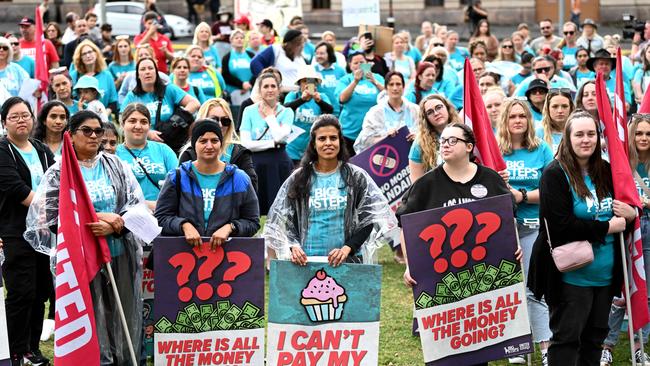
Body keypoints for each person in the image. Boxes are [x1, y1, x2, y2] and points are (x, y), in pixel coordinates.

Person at [25, 110, 147, 365]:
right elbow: (49, 216)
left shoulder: (115, 165)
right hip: (80, 261)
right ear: (70, 135)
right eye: (87, 131)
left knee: (122, 313)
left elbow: (137, 205)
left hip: (118, 252)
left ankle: (123, 359)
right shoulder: (59, 172)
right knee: (92, 316)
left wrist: (117, 225)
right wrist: (99, 216)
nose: (94, 136)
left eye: (98, 131)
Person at [527, 110, 636, 365]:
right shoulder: (554, 174)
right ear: (568, 137)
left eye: (591, 134)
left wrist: (631, 214)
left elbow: (625, 213)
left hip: (605, 274)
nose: (585, 140)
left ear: (598, 138)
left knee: (594, 339)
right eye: (579, 134)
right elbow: (560, 226)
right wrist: (607, 227)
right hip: (570, 276)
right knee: (567, 339)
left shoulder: (607, 171)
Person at [264, 115, 397, 265]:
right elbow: (288, 219)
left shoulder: (356, 177)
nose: (328, 143)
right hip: (306, 261)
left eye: (333, 138)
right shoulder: (300, 178)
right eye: (322, 139)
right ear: (313, 144)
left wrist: (347, 249)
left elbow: (368, 220)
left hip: (348, 261)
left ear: (340, 141)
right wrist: (294, 246)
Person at [399, 122, 519, 287]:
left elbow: (508, 217)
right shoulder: (426, 184)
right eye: (443, 141)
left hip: (486, 271)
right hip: (440, 275)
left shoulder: (491, 179)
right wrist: (409, 265)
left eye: (453, 140)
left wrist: (516, 245)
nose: (446, 145)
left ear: (469, 146)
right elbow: (406, 226)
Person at [496, 99, 554, 365]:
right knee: (508, 288)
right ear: (505, 121)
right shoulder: (495, 151)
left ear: (529, 120)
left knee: (534, 289)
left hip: (533, 228)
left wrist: (519, 195)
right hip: (501, 230)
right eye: (512, 116)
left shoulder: (541, 149)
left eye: (522, 116)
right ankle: (516, 344)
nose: (517, 120)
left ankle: (545, 346)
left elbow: (551, 192)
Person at [0, 97, 54, 366]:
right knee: (22, 292)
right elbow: (15, 188)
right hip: (16, 233)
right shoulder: (2, 150)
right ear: (4, 122)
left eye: (25, 115)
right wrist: (50, 208)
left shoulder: (42, 149)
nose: (21, 120)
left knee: (41, 292)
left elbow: (59, 179)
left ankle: (32, 349)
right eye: (14, 116)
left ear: (33, 119)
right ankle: (16, 350)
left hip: (44, 234)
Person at [154, 119, 260, 248]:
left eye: (214, 140)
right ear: (194, 145)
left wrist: (230, 227)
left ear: (221, 144)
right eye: (203, 141)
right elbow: (161, 217)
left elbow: (253, 222)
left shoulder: (239, 178)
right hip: (183, 254)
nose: (209, 146)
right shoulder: (177, 177)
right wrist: (184, 225)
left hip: (229, 256)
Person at [600, 113, 650, 366]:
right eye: (638, 133)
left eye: (648, 134)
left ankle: (639, 345)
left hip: (649, 232)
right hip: (626, 229)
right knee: (619, 294)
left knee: (645, 290)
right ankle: (607, 345)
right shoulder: (621, 164)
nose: (643, 138)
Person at [239, 72, 294, 215]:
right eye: (266, 86)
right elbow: (246, 143)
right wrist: (272, 143)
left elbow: (281, 137)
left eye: (273, 86)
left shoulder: (287, 111)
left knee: (280, 209)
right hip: (256, 163)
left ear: (278, 89)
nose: (270, 89)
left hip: (279, 162)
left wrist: (270, 116)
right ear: (260, 89)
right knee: (254, 207)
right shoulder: (249, 110)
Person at [179, 97, 258, 191]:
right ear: (202, 121)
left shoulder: (240, 152)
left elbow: (251, 186)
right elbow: (182, 189)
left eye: (225, 121)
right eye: (214, 120)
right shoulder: (189, 153)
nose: (220, 125)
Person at [116, 103, 178, 211]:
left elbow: (178, 184)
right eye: (132, 121)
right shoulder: (114, 154)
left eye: (143, 122)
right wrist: (149, 205)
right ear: (122, 124)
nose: (138, 126)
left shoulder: (163, 150)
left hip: (162, 214)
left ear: (149, 126)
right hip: (129, 216)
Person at [121, 58, 200, 142]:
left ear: (156, 72)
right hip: (144, 142)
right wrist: (147, 132)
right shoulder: (132, 96)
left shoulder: (169, 89)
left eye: (151, 68)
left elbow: (194, 103)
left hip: (171, 142)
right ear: (138, 75)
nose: (147, 72)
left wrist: (175, 121)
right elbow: (122, 123)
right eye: (143, 69)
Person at [354, 71, 418, 153]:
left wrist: (417, 138)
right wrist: (385, 138)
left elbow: (425, 134)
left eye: (398, 84)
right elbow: (364, 141)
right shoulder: (375, 112)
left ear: (403, 87)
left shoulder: (415, 110)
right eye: (391, 84)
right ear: (386, 88)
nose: (395, 88)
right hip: (382, 156)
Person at [335, 51, 385, 155]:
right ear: (350, 66)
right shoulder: (345, 79)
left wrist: (374, 81)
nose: (359, 65)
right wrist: (355, 81)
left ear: (367, 63)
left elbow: (389, 96)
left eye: (362, 62)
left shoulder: (378, 78)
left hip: (374, 132)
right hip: (349, 132)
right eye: (355, 63)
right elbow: (342, 99)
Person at [284, 66, 333, 163]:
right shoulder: (293, 95)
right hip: (292, 148)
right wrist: (302, 100)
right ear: (299, 83)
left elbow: (330, 110)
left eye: (310, 81)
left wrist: (319, 101)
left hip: (312, 148)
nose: (307, 84)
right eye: (304, 81)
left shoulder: (321, 97)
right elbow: (285, 109)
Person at [408, 94, 461, 182]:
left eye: (439, 107)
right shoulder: (419, 144)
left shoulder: (463, 132)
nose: (436, 113)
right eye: (430, 112)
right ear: (426, 119)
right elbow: (416, 186)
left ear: (447, 108)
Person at [70, 40, 118, 117]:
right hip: (80, 118)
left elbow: (113, 102)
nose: (88, 56)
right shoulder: (74, 76)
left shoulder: (107, 75)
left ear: (96, 53)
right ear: (80, 58)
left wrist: (102, 116)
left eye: (90, 52)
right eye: (84, 54)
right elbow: (71, 99)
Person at [221, 29, 254, 115]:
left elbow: (257, 72)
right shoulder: (227, 57)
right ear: (231, 41)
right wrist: (241, 84)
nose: (239, 39)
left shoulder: (251, 55)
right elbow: (225, 75)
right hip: (234, 92)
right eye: (236, 38)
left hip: (250, 91)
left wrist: (248, 84)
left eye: (242, 38)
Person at [312, 41, 346, 117]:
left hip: (338, 112)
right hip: (319, 112)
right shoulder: (312, 71)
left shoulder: (340, 71)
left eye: (322, 53)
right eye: (317, 53)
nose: (318, 56)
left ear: (329, 54)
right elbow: (310, 92)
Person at [536, 88, 574, 153]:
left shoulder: (577, 130)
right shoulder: (539, 133)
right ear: (548, 109)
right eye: (555, 106)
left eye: (564, 106)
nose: (560, 111)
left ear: (571, 108)